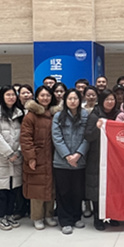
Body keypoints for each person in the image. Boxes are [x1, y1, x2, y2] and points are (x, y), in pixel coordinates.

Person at [52, 89, 90, 235]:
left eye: (75, 98)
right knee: (63, 192)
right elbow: (57, 138)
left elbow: (87, 137)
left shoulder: (85, 115)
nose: (73, 101)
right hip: (61, 162)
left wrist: (78, 155)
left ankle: (76, 217)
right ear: (65, 101)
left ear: (80, 100)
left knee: (77, 191)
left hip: (80, 161)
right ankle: (65, 220)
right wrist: (68, 156)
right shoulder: (58, 116)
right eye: (70, 98)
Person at [20, 86, 58, 230]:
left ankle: (49, 215)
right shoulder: (31, 116)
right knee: (37, 189)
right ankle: (37, 217)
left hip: (53, 156)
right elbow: (25, 138)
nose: (45, 98)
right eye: (42, 95)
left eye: (48, 95)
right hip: (37, 157)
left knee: (51, 187)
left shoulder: (54, 114)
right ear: (37, 97)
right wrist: (30, 157)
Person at [0, 86, 24, 231]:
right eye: (8, 95)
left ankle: (10, 215)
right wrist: (8, 153)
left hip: (16, 156)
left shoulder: (19, 112)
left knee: (13, 189)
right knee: (0, 189)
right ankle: (1, 217)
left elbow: (24, 134)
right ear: (2, 96)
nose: (11, 97)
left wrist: (18, 151)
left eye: (13, 95)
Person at [84, 90, 120, 230]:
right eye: (107, 99)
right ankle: (98, 218)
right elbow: (88, 136)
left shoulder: (118, 115)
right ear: (101, 100)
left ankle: (111, 215)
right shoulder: (94, 115)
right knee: (97, 189)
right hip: (97, 157)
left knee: (113, 188)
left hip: (115, 158)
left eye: (112, 99)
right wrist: (97, 128)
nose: (110, 102)